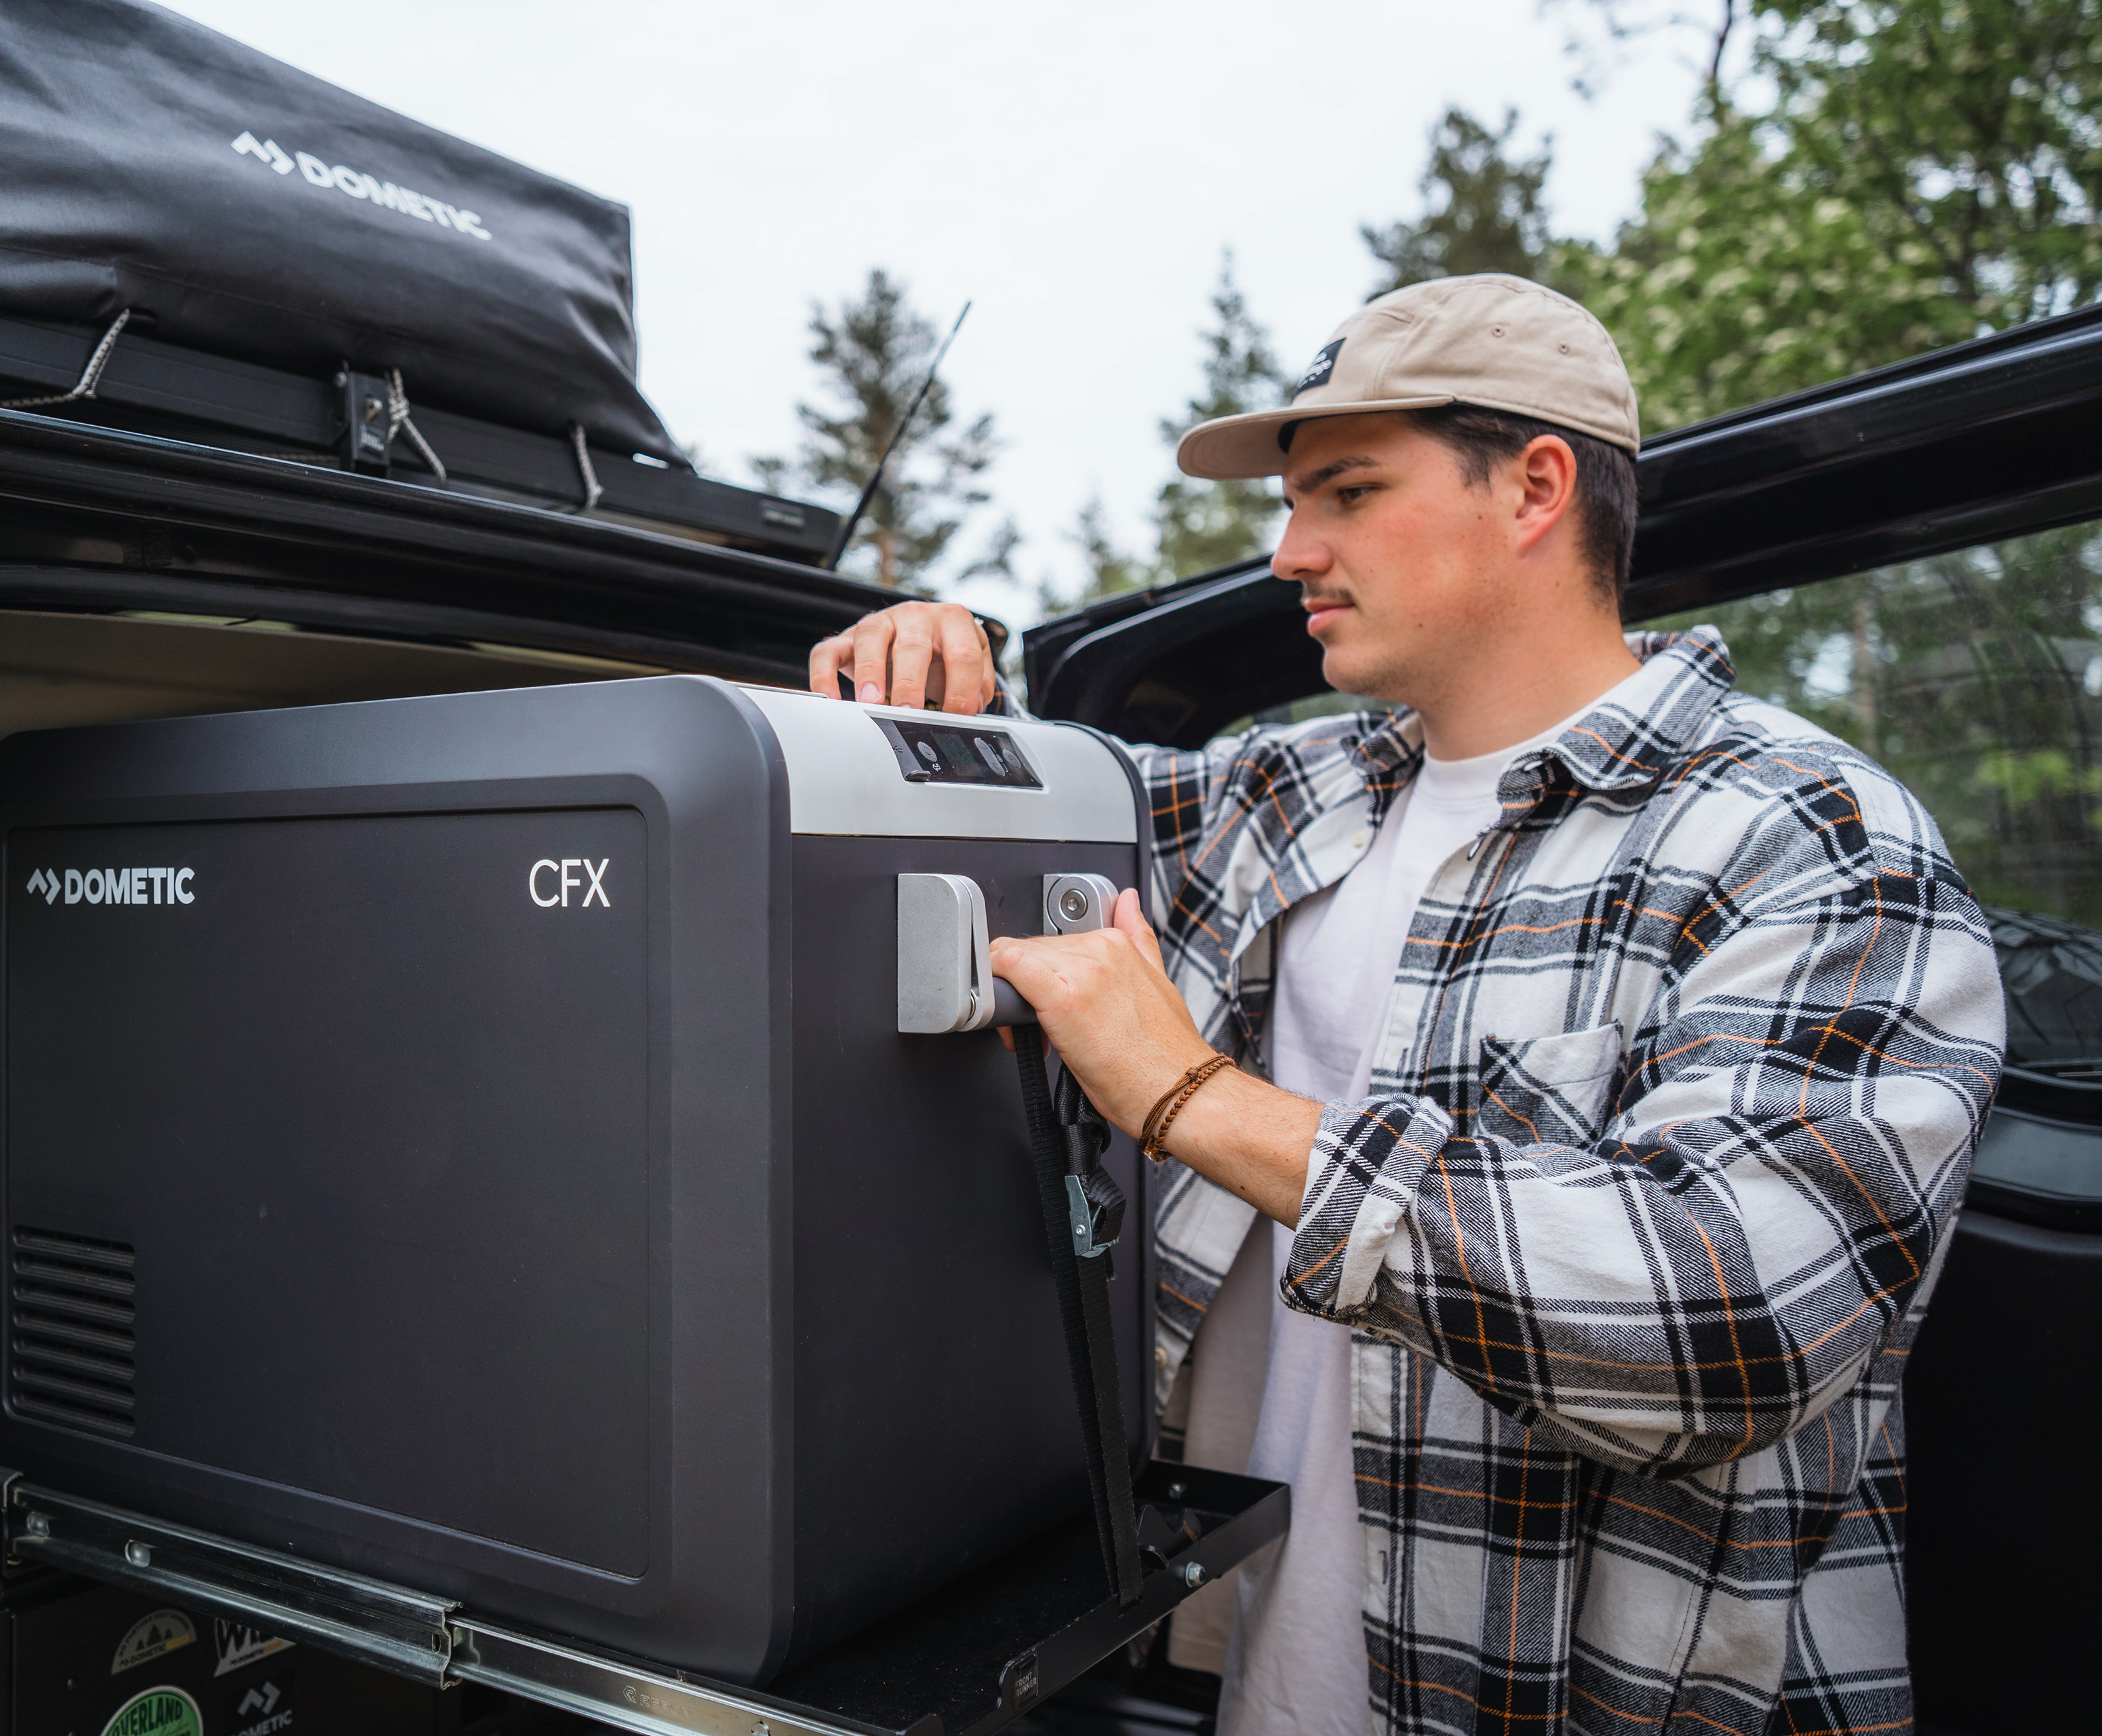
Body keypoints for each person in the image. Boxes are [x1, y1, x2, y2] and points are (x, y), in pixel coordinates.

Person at [808, 274, 2002, 1736]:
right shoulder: (1282, 791)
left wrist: (1192, 1098)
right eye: (1293, 505)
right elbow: (1008, 804)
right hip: (1261, 1678)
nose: (1289, 553)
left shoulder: (1807, 836)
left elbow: (1733, 1317)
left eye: (1351, 493)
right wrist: (944, 667)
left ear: (1537, 488)